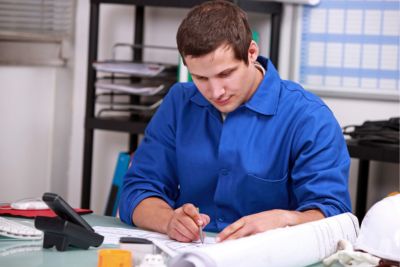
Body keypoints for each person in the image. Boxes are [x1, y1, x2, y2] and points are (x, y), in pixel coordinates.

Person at [119, 0, 351, 243]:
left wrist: (283, 220)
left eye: (225, 74)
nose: (215, 91)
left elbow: (334, 215)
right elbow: (137, 191)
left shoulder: (309, 117)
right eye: (200, 77)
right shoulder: (180, 102)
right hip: (191, 255)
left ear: (251, 53)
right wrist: (169, 221)